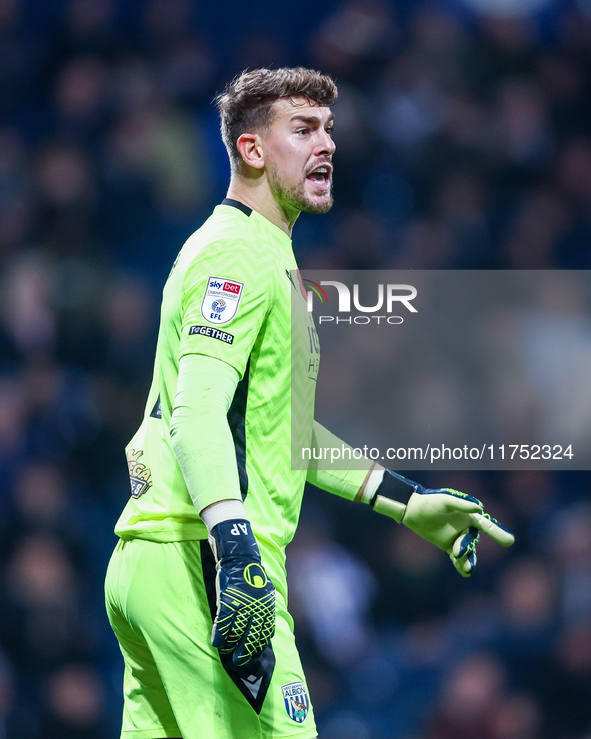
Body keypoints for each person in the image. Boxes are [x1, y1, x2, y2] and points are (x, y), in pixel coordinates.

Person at [104, 67, 514, 739]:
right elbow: (198, 413)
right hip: (203, 561)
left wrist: (407, 501)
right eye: (303, 129)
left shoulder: (267, 256)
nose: (326, 144)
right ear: (251, 149)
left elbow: (281, 429)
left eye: (328, 129)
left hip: (165, 558)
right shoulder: (234, 252)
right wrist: (235, 553)